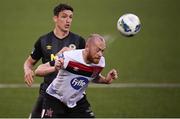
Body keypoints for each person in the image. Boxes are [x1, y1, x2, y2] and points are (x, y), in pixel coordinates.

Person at [23, 3, 86, 118]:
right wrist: (27, 70)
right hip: (47, 93)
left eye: (70, 17)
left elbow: (88, 65)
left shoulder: (79, 41)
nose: (68, 21)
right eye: (64, 16)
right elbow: (29, 62)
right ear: (55, 18)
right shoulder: (43, 41)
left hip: (70, 95)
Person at [35, 34, 118, 118]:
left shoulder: (100, 63)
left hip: (77, 102)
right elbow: (38, 70)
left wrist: (106, 80)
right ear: (87, 47)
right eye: (98, 50)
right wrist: (54, 68)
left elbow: (92, 76)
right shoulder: (69, 57)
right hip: (54, 99)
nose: (100, 54)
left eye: (102, 51)